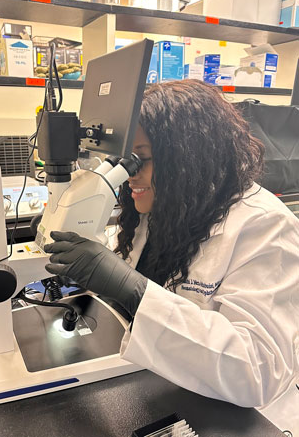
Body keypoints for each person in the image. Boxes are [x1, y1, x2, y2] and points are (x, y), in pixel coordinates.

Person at [44, 80, 299, 435]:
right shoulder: (168, 207)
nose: (129, 175)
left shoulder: (265, 226)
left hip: (245, 420)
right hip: (170, 392)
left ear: (189, 157)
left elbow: (256, 371)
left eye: (141, 160)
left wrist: (133, 290)